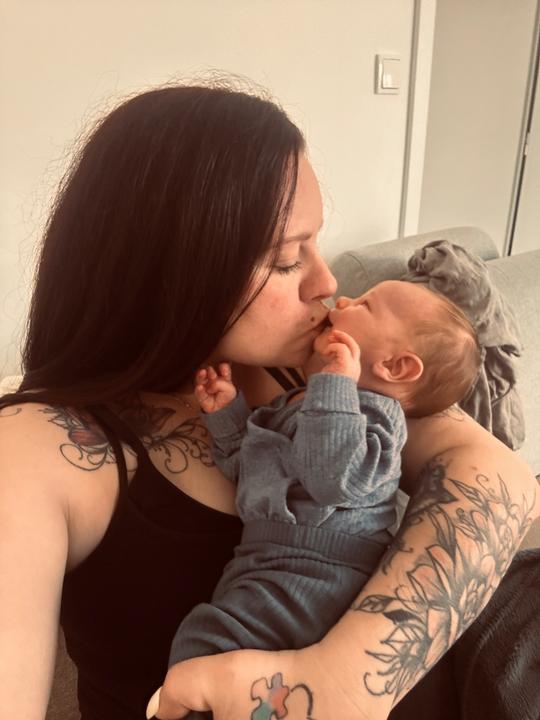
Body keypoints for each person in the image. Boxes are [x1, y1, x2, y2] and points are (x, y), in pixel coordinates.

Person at [0, 81, 536, 720]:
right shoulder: (36, 447)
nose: (327, 282)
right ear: (170, 270)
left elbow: (500, 479)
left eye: (316, 243)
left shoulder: (304, 362)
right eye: (286, 260)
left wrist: (344, 684)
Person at [167, 279, 482, 693]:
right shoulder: (298, 400)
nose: (343, 298)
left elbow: (332, 479)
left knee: (209, 644)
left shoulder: (377, 416)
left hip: (326, 572)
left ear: (396, 367)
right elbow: (251, 472)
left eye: (365, 305)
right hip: (262, 562)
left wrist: (335, 384)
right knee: (215, 645)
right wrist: (227, 413)